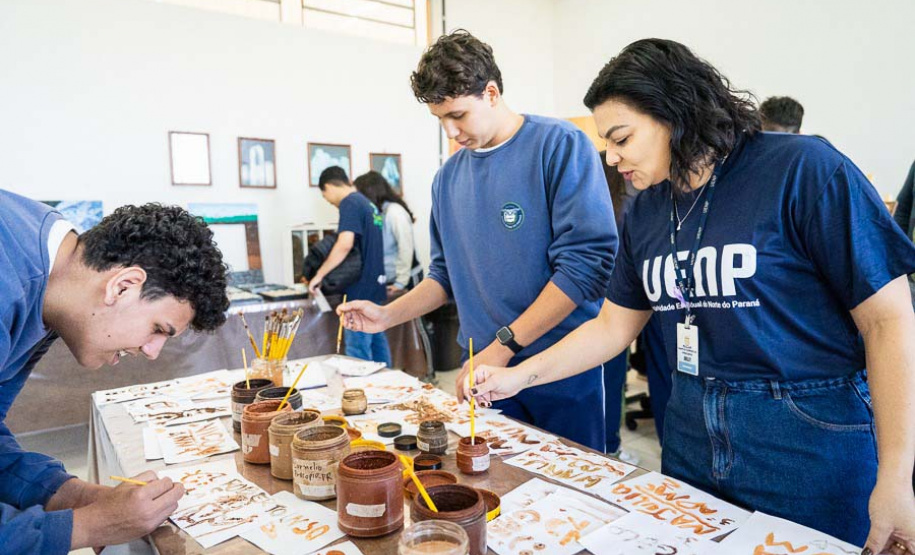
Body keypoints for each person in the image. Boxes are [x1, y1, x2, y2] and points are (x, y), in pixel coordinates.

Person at [465, 39, 915, 552]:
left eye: (622, 138)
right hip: (691, 428)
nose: (611, 158)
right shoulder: (649, 209)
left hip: (806, 435)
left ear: (675, 113)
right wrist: (518, 375)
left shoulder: (802, 169)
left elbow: (890, 321)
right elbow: (613, 327)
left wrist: (898, 476)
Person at [338, 30, 617, 451]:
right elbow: (444, 277)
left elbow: (584, 269)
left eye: (459, 115)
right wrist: (387, 316)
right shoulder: (447, 179)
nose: (452, 132)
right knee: (497, 494)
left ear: (491, 93)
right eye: (440, 121)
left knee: (569, 494)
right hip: (485, 371)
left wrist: (505, 345)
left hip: (559, 367)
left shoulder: (558, 145)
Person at [0, 190, 229, 553]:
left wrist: (74, 496)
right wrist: (89, 526)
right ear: (122, 286)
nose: (152, 352)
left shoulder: (53, 294)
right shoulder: (8, 276)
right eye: (158, 329)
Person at [311, 166, 392, 366]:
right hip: (375, 285)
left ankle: (362, 395)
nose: (329, 201)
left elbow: (345, 244)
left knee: (358, 352)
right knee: (378, 345)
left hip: (359, 288)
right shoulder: (368, 204)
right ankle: (389, 390)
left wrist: (319, 275)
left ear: (329, 186)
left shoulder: (350, 203)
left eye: (325, 195)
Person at [353, 170, 421, 294]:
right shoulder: (378, 212)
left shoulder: (395, 212)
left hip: (405, 280)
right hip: (388, 279)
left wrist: (400, 282)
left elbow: (405, 248)